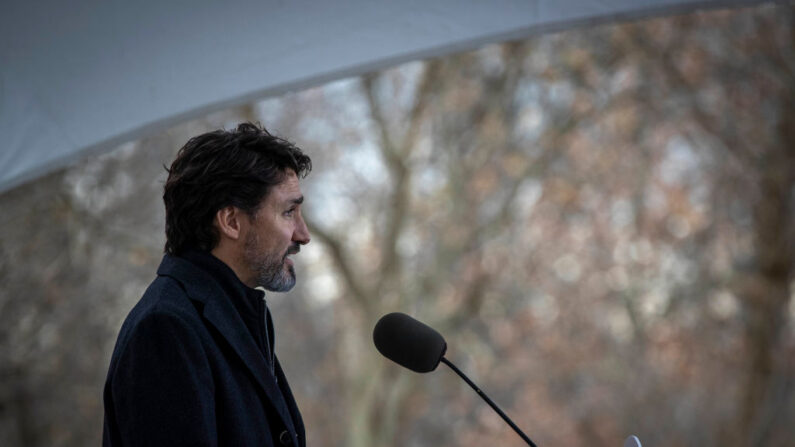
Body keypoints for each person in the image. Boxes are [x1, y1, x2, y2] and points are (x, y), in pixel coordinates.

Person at [103, 123, 312, 447]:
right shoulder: (166, 328)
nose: (303, 234)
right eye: (289, 212)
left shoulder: (238, 314)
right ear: (231, 221)